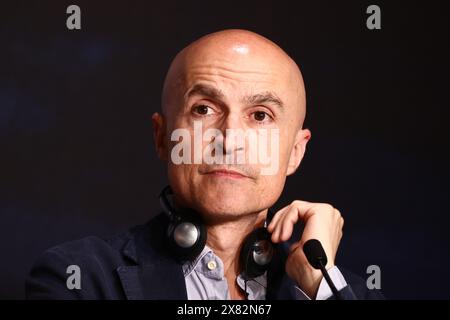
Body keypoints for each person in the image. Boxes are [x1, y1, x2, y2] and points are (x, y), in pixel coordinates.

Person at [26, 29, 383, 300]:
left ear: (295, 152)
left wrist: (319, 284)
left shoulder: (342, 291)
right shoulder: (76, 279)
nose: (229, 139)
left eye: (260, 115)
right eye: (204, 109)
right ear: (162, 137)